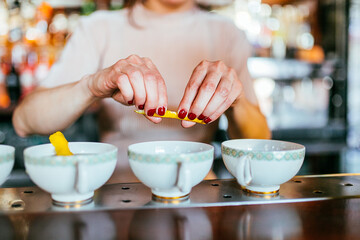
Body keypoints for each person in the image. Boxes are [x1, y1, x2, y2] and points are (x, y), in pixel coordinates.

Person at [12, 0, 271, 182]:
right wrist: (92, 85)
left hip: (197, 193)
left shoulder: (226, 33)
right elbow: (24, 121)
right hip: (115, 196)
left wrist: (236, 102)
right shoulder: (97, 28)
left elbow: (262, 142)